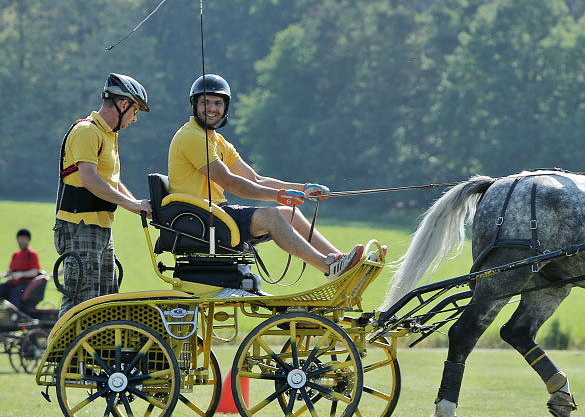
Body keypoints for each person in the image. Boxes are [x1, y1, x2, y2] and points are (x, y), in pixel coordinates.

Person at [167, 74, 365, 280]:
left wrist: (303, 188)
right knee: (272, 216)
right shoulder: (192, 137)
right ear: (194, 105)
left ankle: (340, 262)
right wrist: (278, 195)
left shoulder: (218, 141)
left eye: (218, 103)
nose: (212, 108)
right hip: (200, 221)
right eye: (205, 102)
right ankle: (329, 267)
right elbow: (230, 181)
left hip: (217, 215)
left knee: (291, 214)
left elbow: (255, 179)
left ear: (225, 108)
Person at [55, 73, 153, 318]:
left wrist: (137, 206)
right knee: (81, 302)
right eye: (135, 111)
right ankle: (61, 357)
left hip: (100, 228)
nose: (134, 119)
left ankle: (96, 356)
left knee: (105, 302)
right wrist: (131, 204)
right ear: (123, 105)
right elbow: (89, 179)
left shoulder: (109, 135)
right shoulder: (87, 132)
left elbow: (112, 182)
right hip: (80, 226)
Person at [0, 229, 41, 310]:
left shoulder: (32, 254)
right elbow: (11, 271)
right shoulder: (16, 254)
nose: (22, 241)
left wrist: (21, 274)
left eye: (24, 239)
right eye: (20, 239)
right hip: (13, 282)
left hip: (26, 283)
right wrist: (3, 275)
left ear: (28, 240)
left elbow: (34, 272)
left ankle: (14, 316)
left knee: (15, 292)